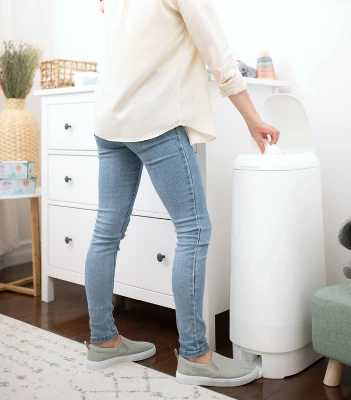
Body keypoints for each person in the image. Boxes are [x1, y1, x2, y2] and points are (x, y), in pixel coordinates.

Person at [84, 0, 280, 387]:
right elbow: (218, 53)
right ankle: (195, 356)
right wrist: (252, 118)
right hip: (154, 118)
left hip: (109, 119)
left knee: (106, 232)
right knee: (194, 230)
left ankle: (103, 340)